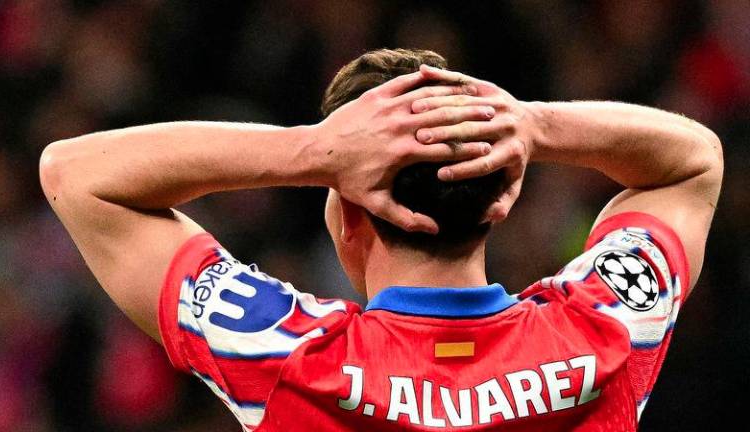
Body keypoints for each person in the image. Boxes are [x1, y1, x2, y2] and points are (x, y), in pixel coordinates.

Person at [39, 49, 722, 431]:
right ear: (501, 200)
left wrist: (311, 151)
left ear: (346, 216)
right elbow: (695, 162)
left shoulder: (285, 353)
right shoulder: (605, 332)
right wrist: (536, 125)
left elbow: (75, 174)